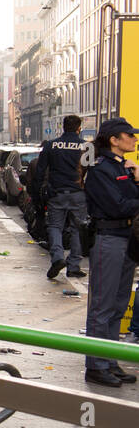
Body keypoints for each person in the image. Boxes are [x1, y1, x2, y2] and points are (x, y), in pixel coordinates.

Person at [82, 118, 139, 387]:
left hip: (126, 238)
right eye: (130, 135)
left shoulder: (122, 167)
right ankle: (95, 365)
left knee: (118, 305)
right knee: (102, 307)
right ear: (114, 140)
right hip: (109, 238)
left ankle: (110, 358)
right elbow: (119, 206)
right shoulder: (100, 168)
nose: (135, 139)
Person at [37, 115, 89, 280]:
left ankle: (58, 257)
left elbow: (40, 170)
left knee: (55, 227)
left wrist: (39, 191)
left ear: (63, 127)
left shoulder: (51, 145)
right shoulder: (87, 146)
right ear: (79, 128)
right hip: (78, 193)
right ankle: (73, 266)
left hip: (57, 192)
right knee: (77, 229)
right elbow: (92, 172)